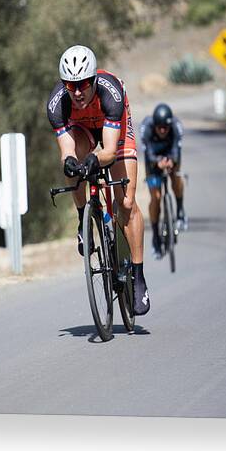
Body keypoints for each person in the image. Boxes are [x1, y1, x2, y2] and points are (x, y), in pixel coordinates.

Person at [46, 45, 149, 315]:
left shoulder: (110, 93)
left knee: (125, 203)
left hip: (113, 127)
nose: (78, 92)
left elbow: (109, 151)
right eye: (71, 85)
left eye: (83, 84)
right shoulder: (57, 104)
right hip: (82, 130)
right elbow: (67, 150)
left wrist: (96, 159)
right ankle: (84, 220)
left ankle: (138, 276)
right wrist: (71, 162)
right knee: (74, 166)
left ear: (93, 80)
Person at [140, 103, 187, 259]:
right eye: (159, 127)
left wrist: (172, 161)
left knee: (177, 176)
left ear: (169, 125)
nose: (162, 130)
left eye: (165, 128)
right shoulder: (146, 127)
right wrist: (156, 162)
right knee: (156, 197)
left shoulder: (176, 126)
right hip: (152, 160)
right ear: (154, 125)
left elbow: (176, 149)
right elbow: (147, 152)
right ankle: (155, 236)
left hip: (170, 154)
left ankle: (180, 211)